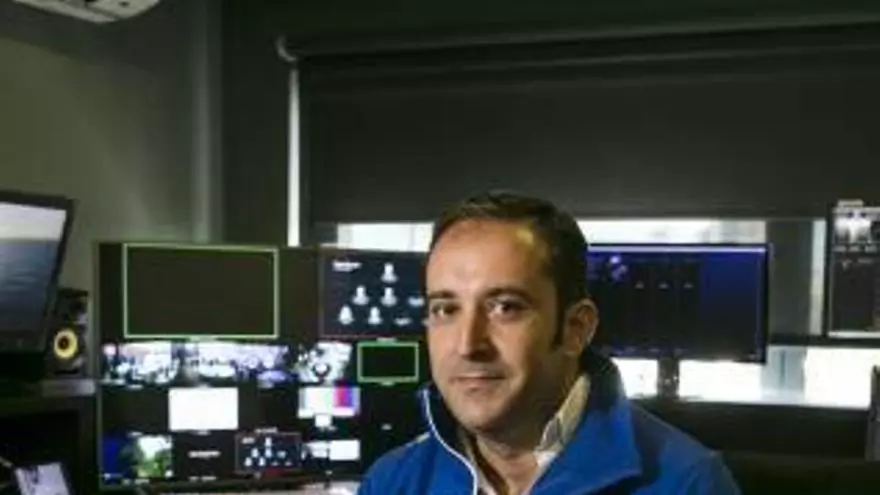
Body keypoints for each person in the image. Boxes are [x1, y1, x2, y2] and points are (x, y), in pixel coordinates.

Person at [357, 191, 741, 495]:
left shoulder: (686, 483)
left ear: (576, 328)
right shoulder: (392, 482)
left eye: (506, 307)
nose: (467, 344)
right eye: (445, 309)